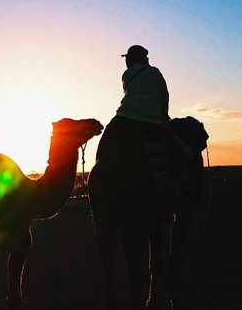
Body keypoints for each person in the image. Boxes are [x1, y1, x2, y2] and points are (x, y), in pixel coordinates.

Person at [90, 44, 175, 310]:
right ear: (146, 59)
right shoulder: (156, 73)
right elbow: (164, 101)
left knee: (101, 155)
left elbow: (130, 95)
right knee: (175, 154)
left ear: (130, 61)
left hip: (124, 119)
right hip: (151, 122)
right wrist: (163, 119)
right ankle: (168, 201)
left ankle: (100, 194)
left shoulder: (128, 76)